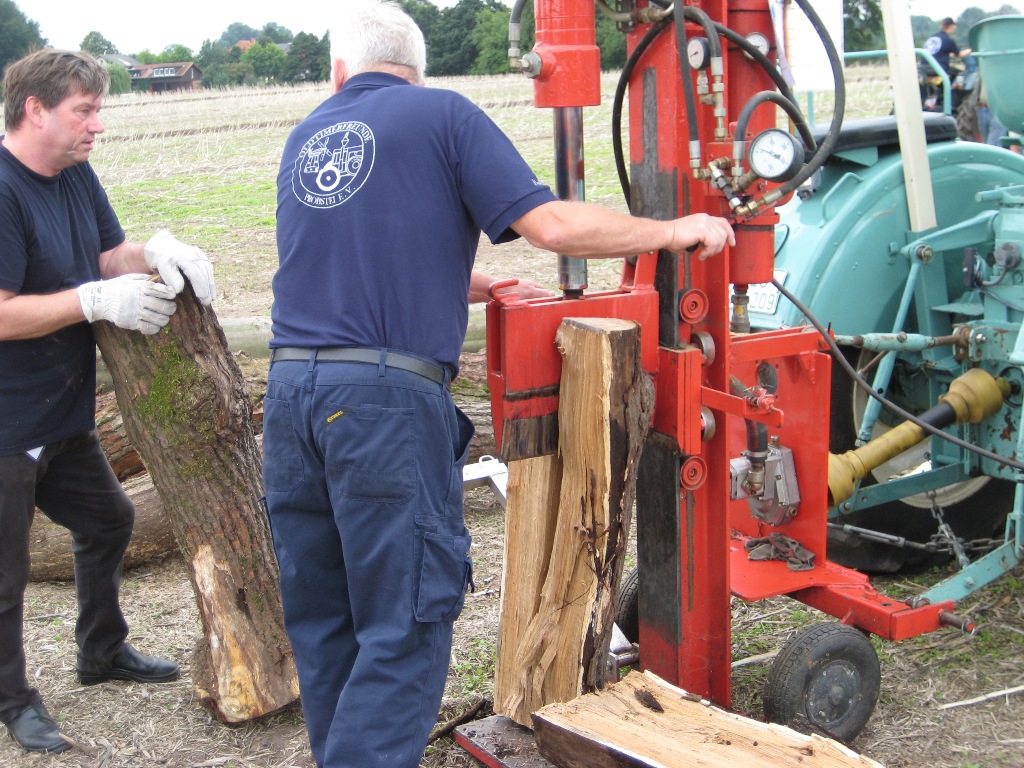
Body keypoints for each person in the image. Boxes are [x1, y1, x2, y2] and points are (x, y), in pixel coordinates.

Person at [263, 3, 734, 767]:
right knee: (404, 627)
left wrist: (474, 283)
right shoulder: (442, 113)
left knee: (327, 622)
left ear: (339, 72)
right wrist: (675, 231)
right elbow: (553, 227)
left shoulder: (308, 135)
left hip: (291, 403)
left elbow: (352, 261)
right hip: (381, 409)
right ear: (416, 71)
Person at [0, 49, 216, 754]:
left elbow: (107, 253)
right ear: (35, 109)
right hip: (7, 424)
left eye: (98, 110)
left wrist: (157, 254)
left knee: (109, 520)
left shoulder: (74, 173)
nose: (98, 125)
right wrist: (92, 301)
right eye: (84, 111)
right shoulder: (2, 190)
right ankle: (13, 701)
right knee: (5, 576)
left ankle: (101, 652)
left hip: (61, 413)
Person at [922, 17, 972, 113]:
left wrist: (948, 55)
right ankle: (951, 103)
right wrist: (970, 50)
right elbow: (960, 55)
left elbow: (937, 52)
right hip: (937, 69)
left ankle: (938, 99)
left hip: (924, 69)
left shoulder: (932, 37)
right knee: (959, 75)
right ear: (951, 26)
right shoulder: (948, 40)